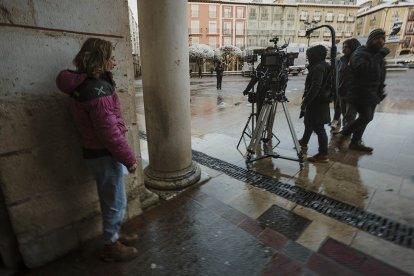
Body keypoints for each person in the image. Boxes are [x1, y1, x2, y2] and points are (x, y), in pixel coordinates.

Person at [56, 38, 139, 262]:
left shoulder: (88, 84)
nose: (115, 61)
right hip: (105, 154)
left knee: (113, 199)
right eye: (111, 56)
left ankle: (115, 234)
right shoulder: (96, 90)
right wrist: (129, 159)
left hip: (98, 153)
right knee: (114, 202)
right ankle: (111, 245)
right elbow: (109, 133)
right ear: (100, 59)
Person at [337, 29, 389, 152]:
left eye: (383, 39)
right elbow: (362, 69)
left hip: (373, 93)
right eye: (377, 38)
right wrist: (379, 55)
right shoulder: (361, 52)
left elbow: (381, 73)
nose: (380, 41)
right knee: (366, 117)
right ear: (371, 39)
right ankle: (344, 134)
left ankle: (355, 142)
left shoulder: (378, 55)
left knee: (366, 119)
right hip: (360, 92)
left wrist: (380, 89)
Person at [298, 45, 331, 163]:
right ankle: (304, 141)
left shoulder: (318, 68)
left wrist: (305, 102)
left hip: (317, 102)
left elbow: (315, 86)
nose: (308, 58)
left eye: (309, 56)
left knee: (319, 127)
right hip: (318, 101)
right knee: (309, 122)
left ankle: (323, 154)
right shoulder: (323, 65)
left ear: (315, 56)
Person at [330, 38, 361, 133]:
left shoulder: (359, 60)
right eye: (343, 47)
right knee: (344, 115)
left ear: (353, 47)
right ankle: (345, 131)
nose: (343, 50)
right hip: (342, 92)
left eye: (346, 47)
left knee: (350, 116)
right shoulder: (342, 59)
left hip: (353, 94)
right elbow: (339, 76)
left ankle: (346, 134)